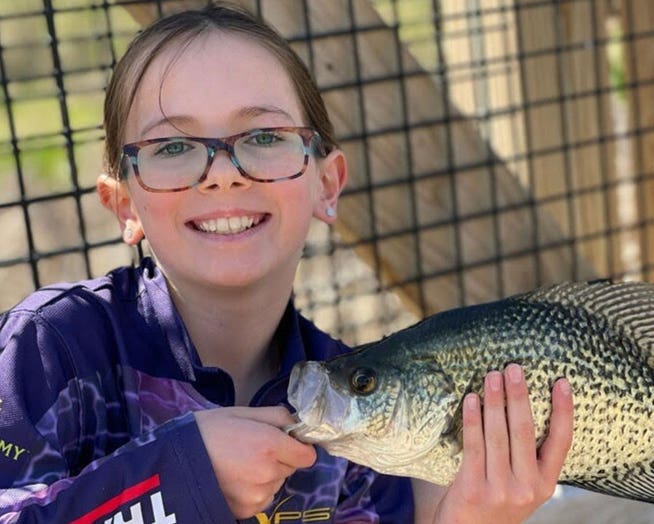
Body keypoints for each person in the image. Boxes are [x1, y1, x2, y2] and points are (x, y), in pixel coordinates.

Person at [0, 4, 574, 523]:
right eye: (173, 147)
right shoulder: (52, 349)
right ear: (126, 204)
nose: (223, 172)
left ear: (326, 184)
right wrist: (179, 480)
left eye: (264, 135)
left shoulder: (358, 407)